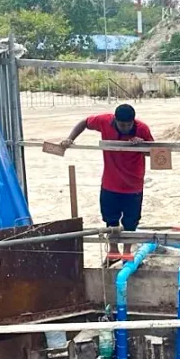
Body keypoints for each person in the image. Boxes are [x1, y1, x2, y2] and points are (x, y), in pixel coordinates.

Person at [61, 103, 154, 258]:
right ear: (115, 120)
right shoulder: (104, 121)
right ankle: (113, 251)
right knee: (111, 220)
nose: (125, 128)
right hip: (110, 183)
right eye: (122, 124)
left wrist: (142, 145)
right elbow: (84, 122)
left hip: (133, 185)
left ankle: (127, 253)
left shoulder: (142, 129)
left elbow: (155, 153)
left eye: (128, 125)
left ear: (134, 122)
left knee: (131, 222)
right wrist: (70, 139)